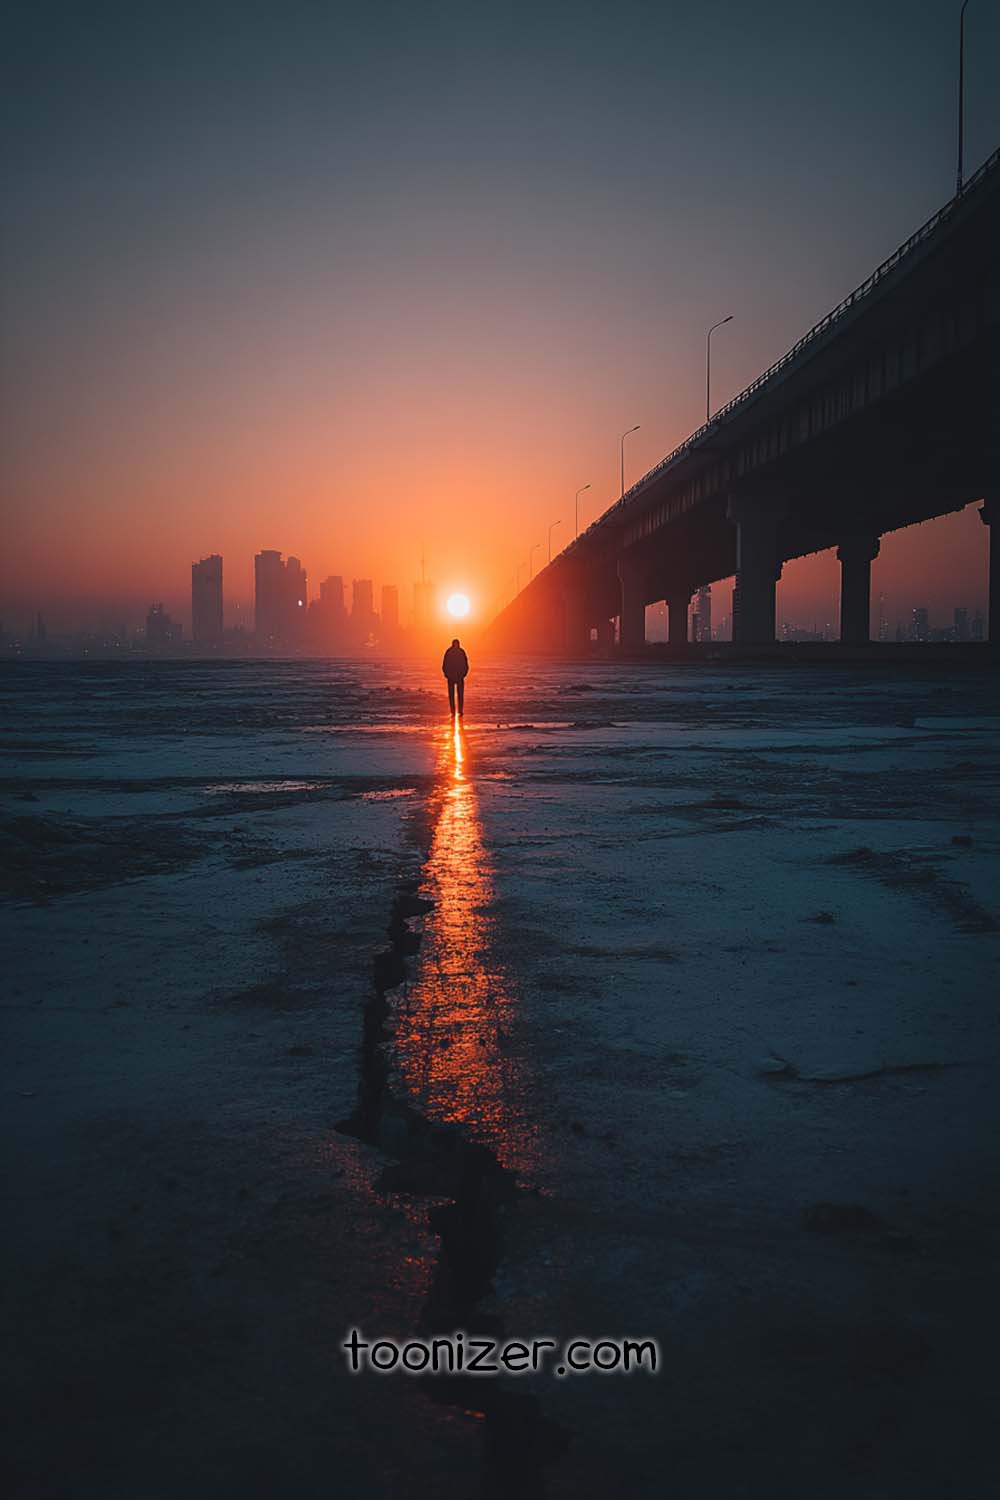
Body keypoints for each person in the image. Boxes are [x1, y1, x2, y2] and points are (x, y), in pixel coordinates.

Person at [442, 638, 469, 716]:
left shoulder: (461, 652)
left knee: (460, 695)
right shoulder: (449, 652)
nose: (456, 645)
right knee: (451, 696)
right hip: (451, 677)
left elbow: (466, 664)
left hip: (460, 677)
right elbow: (445, 664)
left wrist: (464, 674)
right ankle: (452, 711)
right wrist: (446, 674)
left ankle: (460, 711)